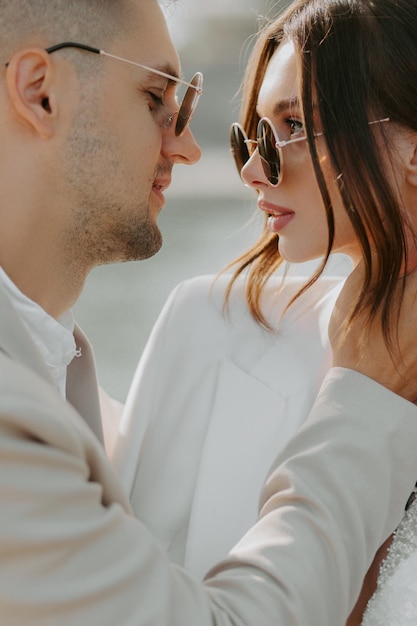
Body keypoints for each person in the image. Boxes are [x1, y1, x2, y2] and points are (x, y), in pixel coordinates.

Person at [1, 1, 417, 625]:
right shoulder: (217, 333)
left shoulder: (55, 372)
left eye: (295, 126)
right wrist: (362, 404)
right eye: (153, 99)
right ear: (40, 95)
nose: (240, 166)